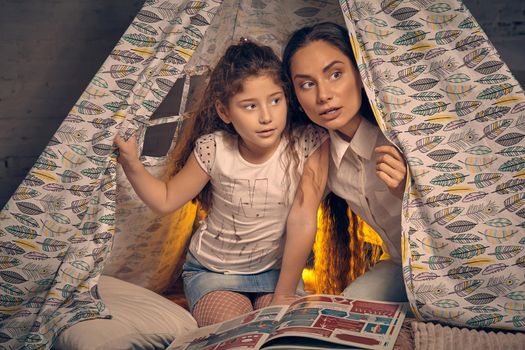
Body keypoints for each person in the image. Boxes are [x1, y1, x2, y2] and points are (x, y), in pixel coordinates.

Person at [115, 40, 329, 326]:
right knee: (235, 334)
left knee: (284, 333)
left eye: (275, 100)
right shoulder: (214, 148)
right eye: (250, 106)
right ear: (224, 112)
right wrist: (131, 162)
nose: (267, 117)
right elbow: (165, 200)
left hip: (279, 274)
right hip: (214, 273)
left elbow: (303, 218)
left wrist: (284, 294)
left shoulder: (308, 143)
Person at [282, 22, 408, 302]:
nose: (323, 95)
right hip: (399, 265)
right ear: (296, 97)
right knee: (349, 307)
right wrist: (288, 295)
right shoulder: (317, 152)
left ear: (361, 75)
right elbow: (294, 216)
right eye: (307, 84)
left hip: (443, 263)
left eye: (336, 74)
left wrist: (409, 192)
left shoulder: (402, 136)